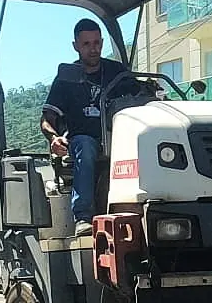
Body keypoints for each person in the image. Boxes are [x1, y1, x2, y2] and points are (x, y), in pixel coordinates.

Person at [40, 18, 143, 236]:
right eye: (86, 44)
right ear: (76, 46)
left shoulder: (117, 71)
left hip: (119, 140)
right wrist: (54, 139)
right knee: (85, 144)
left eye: (96, 43)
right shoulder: (66, 77)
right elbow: (47, 118)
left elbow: (142, 96)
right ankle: (83, 217)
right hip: (83, 141)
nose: (93, 49)